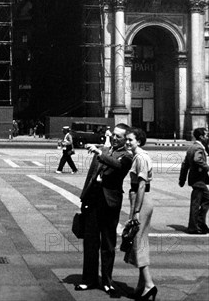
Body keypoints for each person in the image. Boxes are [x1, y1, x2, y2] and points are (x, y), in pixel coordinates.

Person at [75, 123, 132, 296]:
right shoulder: (105, 150)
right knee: (90, 242)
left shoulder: (126, 156)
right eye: (114, 134)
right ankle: (88, 279)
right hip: (93, 201)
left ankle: (107, 281)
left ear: (125, 139)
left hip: (109, 203)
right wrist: (84, 197)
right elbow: (92, 175)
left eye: (119, 136)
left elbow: (117, 166)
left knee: (108, 243)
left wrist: (100, 152)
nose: (115, 138)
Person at [124, 128, 156, 301]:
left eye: (131, 140)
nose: (128, 142)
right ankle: (141, 286)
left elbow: (142, 185)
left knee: (138, 242)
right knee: (140, 241)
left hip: (141, 201)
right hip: (140, 199)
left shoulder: (141, 158)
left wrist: (136, 211)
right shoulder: (139, 156)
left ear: (139, 141)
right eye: (127, 140)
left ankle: (149, 285)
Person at [179, 127, 209, 234]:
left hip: (194, 179)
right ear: (201, 137)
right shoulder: (198, 148)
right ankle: (196, 225)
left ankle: (197, 224)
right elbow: (197, 159)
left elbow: (185, 165)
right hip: (198, 179)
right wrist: (207, 166)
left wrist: (182, 180)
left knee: (197, 202)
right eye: (206, 135)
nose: (207, 137)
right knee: (202, 201)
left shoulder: (191, 148)